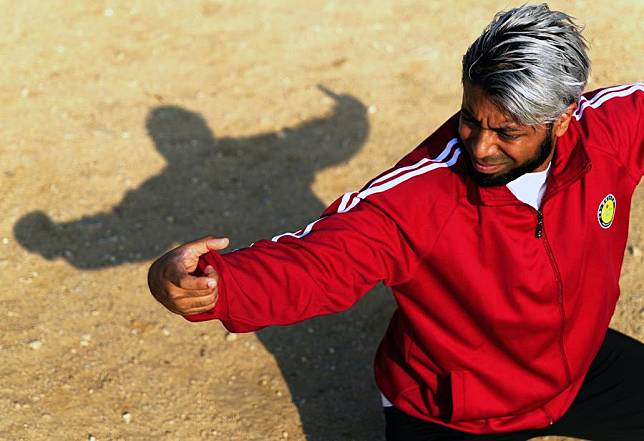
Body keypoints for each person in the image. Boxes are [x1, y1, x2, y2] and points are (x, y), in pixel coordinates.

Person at [147, 4, 643, 440]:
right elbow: (319, 261)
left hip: (578, 371)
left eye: (507, 132)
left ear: (562, 118)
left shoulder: (605, 134)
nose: (481, 146)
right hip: (452, 413)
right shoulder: (419, 197)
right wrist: (218, 285)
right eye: (471, 118)